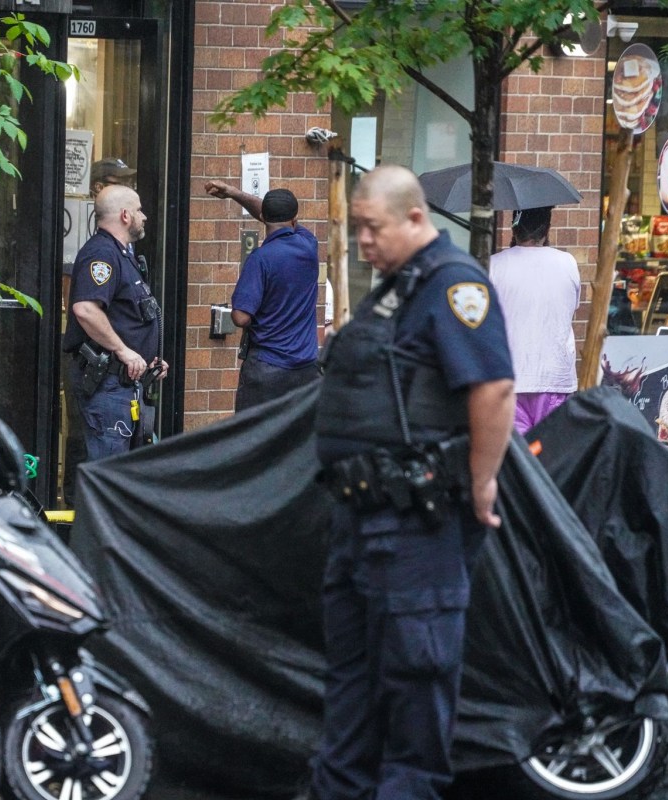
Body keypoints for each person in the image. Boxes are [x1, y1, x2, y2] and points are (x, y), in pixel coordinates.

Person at [305, 165, 515, 800]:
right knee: (351, 693)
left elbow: (494, 386)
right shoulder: (396, 289)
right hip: (362, 523)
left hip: (419, 528)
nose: (363, 242)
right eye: (358, 229)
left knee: (415, 695)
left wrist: (482, 483)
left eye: (373, 229)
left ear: (416, 218)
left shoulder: (454, 285)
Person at [63, 184, 167, 460]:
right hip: (108, 386)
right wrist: (123, 351)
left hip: (124, 387)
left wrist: (148, 360)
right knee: (110, 473)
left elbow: (126, 317)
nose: (144, 216)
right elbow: (85, 309)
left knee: (126, 473)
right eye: (139, 210)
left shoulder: (122, 255)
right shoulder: (102, 254)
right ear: (125, 215)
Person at [203, 181, 320, 411]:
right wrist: (234, 193)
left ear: (263, 218)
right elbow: (269, 215)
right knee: (295, 442)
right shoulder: (309, 245)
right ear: (295, 220)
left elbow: (241, 318)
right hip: (306, 370)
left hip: (267, 370)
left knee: (252, 439)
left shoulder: (260, 259)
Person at [489, 206, 580, 435]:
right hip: (555, 378)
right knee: (550, 461)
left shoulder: (493, 265)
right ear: (547, 229)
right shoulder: (567, 262)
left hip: (508, 380)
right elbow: (572, 310)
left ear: (514, 229)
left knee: (514, 463)